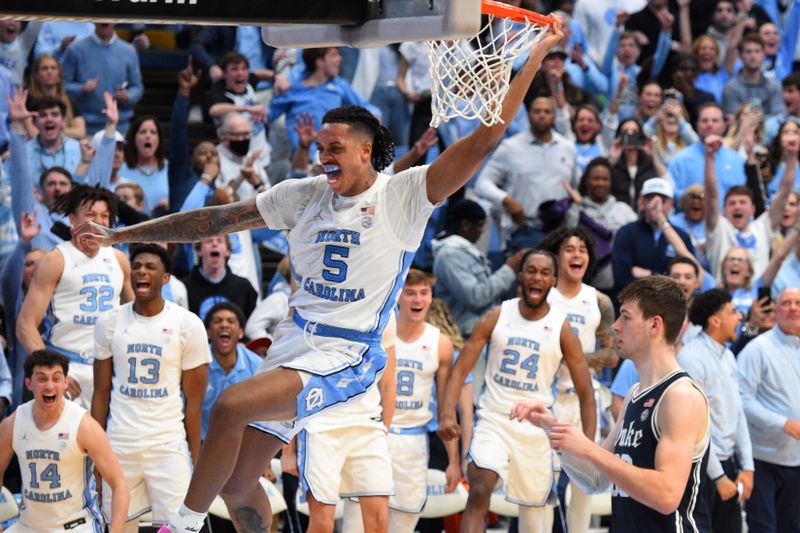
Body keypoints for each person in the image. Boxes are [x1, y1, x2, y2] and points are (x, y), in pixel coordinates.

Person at [74, 19, 566, 533]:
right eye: (319, 147)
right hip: (294, 342)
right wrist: (122, 235)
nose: (321, 156)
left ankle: (182, 524)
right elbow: (214, 221)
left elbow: (483, 142)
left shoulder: (402, 196)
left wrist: (529, 61)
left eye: (333, 148)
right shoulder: (302, 193)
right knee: (239, 485)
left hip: (348, 353)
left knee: (229, 405)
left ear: (365, 151)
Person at [511, 276, 711, 532]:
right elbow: (596, 480)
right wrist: (556, 431)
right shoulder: (635, 394)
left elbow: (666, 495)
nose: (615, 326)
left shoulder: (680, 396)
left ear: (654, 325)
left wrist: (587, 448)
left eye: (626, 317)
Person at [439, 249, 596, 532]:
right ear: (521, 276)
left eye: (545, 273)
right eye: (531, 271)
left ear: (554, 280)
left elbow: (586, 391)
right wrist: (446, 413)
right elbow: (460, 369)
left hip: (535, 427)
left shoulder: (560, 327)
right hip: (494, 419)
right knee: (479, 489)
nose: (537, 277)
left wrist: (589, 444)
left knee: (534, 514)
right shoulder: (497, 316)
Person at [92, 244, 210, 531]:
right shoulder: (109, 322)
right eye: (136, 266)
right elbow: (101, 393)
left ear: (166, 278)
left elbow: (194, 404)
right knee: (118, 526)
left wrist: (196, 460)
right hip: (120, 442)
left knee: (181, 528)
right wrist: (96, 453)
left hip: (167, 442)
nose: (141, 271)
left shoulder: (187, 324)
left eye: (150, 267)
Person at [16, 185, 133, 410]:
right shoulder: (57, 259)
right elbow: (25, 325)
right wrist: (53, 371)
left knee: (103, 444)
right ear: (73, 219)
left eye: (104, 216)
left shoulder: (119, 259)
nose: (98, 222)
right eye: (90, 215)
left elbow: (135, 319)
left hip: (106, 369)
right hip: (67, 366)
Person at [539, 227, 618, 533]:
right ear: (558, 256)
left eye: (582, 249)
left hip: (585, 398)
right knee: (543, 481)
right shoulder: (544, 295)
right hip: (547, 396)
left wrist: (572, 360)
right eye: (569, 248)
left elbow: (611, 355)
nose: (577, 254)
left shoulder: (598, 300)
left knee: (584, 479)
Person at [0, 349, 130, 532]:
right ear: (28, 383)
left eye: (56, 378)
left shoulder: (83, 425)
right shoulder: (14, 423)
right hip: (29, 526)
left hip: (75, 527)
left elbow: (120, 484)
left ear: (65, 383)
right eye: (42, 378)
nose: (49, 386)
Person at [388, 269, 459, 532]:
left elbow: (446, 408)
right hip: (376, 435)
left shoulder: (440, 343)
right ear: (398, 297)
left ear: (431, 298)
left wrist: (453, 461)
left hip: (414, 441)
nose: (417, 299)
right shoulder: (380, 334)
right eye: (410, 293)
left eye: (424, 293)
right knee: (359, 522)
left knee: (405, 521)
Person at [677, 288, 753, 533]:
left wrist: (748, 467)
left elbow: (738, 413)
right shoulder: (691, 359)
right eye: (733, 312)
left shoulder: (729, 357)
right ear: (715, 320)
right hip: (701, 470)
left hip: (727, 465)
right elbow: (693, 426)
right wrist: (718, 477)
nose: (740, 317)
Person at [473, 96, 580, 249]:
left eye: (547, 111)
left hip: (560, 232)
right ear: (528, 115)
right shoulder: (510, 148)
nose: (542, 115)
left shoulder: (568, 148)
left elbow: (575, 188)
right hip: (523, 230)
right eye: (537, 111)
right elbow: (481, 184)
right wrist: (506, 200)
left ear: (554, 116)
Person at [737, 287, 800, 532]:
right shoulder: (758, 349)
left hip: (796, 460)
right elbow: (742, 399)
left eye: (797, 303)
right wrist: (782, 423)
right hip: (763, 459)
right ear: (776, 310)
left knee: (791, 528)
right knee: (763, 528)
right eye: (786, 303)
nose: (793, 308)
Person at [431, 199, 523, 337]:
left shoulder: (464, 251)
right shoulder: (449, 255)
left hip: (481, 331)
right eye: (480, 225)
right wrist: (509, 270)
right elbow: (475, 297)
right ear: (465, 225)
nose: (481, 232)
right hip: (465, 335)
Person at [612, 177, 695, 295]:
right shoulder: (626, 233)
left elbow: (689, 274)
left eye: (662, 200)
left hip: (670, 303)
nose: (657, 207)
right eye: (651, 199)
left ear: (671, 204)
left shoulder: (682, 236)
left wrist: (649, 274)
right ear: (643, 202)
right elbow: (621, 277)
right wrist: (665, 277)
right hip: (635, 299)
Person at [61, 23, 144, 134]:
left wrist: (128, 96)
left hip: (120, 130)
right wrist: (82, 89)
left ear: (116, 21)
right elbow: (62, 86)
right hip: (85, 130)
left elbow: (137, 87)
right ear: (94, 20)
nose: (105, 20)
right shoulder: (75, 50)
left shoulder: (129, 51)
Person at [203, 302, 263, 439]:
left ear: (241, 332)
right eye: (217, 321)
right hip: (204, 442)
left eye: (231, 321)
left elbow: (264, 416)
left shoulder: (257, 365)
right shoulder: (197, 363)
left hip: (244, 443)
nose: (224, 325)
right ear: (208, 333)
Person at [722, 35, 785, 121]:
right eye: (748, 52)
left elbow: (780, 116)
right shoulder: (731, 88)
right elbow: (734, 120)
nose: (753, 56)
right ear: (740, 56)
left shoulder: (775, 85)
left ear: (764, 55)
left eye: (757, 51)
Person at [118, 115, 169, 214]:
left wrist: (172, 203)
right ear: (134, 138)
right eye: (143, 132)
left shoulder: (171, 169)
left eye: (153, 132)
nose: (148, 136)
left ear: (159, 139)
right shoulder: (120, 170)